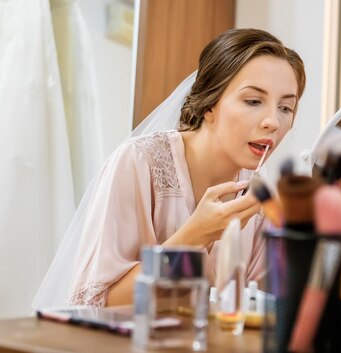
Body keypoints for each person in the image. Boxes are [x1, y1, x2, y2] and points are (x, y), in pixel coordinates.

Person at [33, 28, 306, 309]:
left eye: (286, 108)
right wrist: (194, 236)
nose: (273, 122)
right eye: (253, 101)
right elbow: (96, 304)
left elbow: (260, 311)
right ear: (209, 104)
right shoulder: (139, 163)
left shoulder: (260, 199)